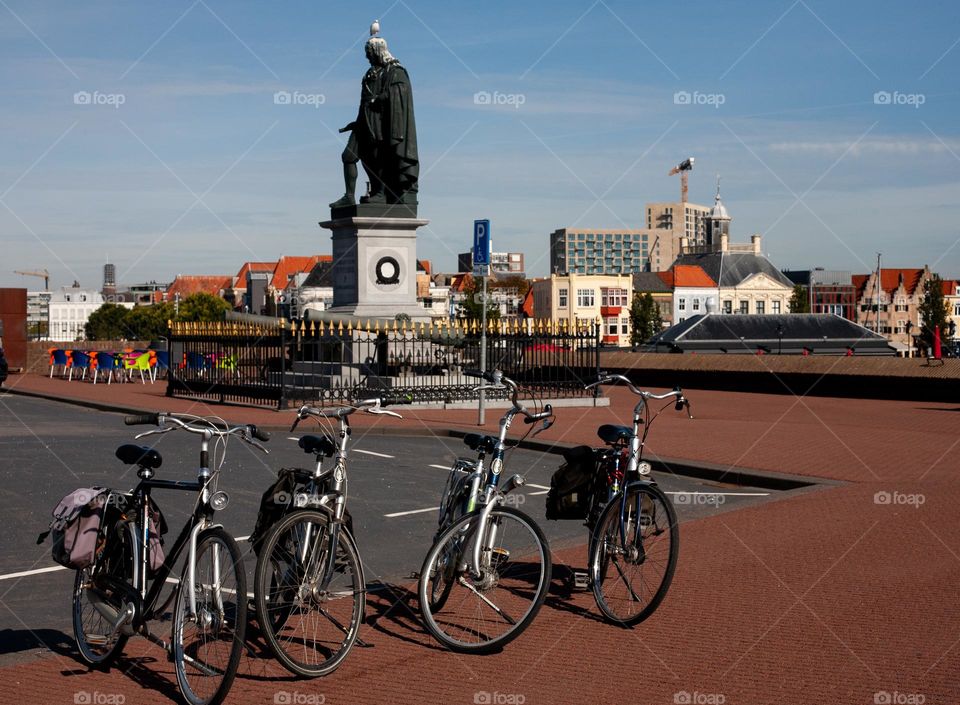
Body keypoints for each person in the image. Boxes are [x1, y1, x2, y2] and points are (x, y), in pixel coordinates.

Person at [330, 28, 418, 208]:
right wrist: (356, 121)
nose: (366, 57)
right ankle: (349, 196)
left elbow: (400, 93)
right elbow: (363, 102)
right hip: (364, 123)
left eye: (369, 53)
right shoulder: (370, 73)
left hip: (381, 124)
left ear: (377, 51)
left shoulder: (395, 71)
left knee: (376, 160)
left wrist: (380, 98)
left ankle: (380, 192)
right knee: (348, 156)